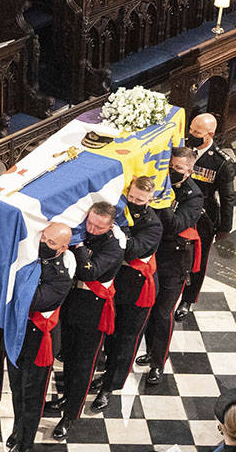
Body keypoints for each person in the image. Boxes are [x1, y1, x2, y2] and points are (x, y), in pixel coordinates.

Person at [47, 203, 124, 440]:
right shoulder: (86, 230)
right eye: (89, 223)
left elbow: (89, 271)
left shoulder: (113, 246)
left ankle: (71, 415)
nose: (91, 228)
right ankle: (67, 397)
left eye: (98, 226)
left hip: (93, 310)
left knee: (84, 364)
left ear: (110, 226)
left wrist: (79, 244)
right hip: (72, 302)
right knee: (68, 356)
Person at [88, 176, 163, 413]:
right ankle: (106, 373)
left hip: (138, 289)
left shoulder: (152, 225)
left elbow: (132, 250)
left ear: (150, 200)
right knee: (111, 334)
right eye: (131, 197)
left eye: (139, 200)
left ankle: (109, 387)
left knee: (126, 340)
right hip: (118, 284)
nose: (133, 202)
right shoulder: (120, 210)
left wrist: (120, 231)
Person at [136, 147, 204, 385]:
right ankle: (150, 350)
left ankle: (158, 363)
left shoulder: (193, 196)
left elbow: (176, 224)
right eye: (170, 166)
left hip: (173, 262)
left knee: (163, 313)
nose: (173, 171)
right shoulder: (158, 183)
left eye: (178, 168)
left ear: (189, 170)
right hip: (153, 256)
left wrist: (161, 203)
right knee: (148, 309)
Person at [6, 222, 75, 452]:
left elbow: (32, 300)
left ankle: (26, 443)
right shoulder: (31, 253)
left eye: (52, 242)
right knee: (17, 386)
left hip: (39, 341)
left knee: (32, 395)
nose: (44, 243)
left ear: (63, 248)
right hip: (18, 331)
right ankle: (18, 429)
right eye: (44, 237)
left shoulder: (61, 276)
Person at [175, 112, 236, 322]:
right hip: (178, 210)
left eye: (196, 132)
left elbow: (228, 198)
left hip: (203, 217)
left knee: (197, 261)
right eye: (191, 128)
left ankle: (188, 299)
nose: (191, 133)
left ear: (209, 134)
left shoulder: (221, 162)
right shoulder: (182, 150)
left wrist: (224, 228)